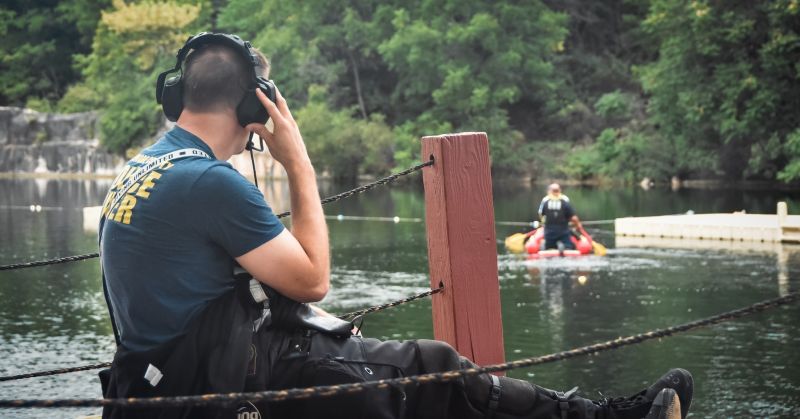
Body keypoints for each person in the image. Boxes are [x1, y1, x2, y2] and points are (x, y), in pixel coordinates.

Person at [98, 32, 693, 419]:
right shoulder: (208, 181)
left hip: (164, 383)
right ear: (257, 105)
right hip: (220, 387)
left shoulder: (143, 167)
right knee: (434, 366)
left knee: (382, 363)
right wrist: (299, 164)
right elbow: (313, 280)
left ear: (180, 96)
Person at [538, 183, 582, 252]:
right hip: (563, 232)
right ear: (560, 190)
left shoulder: (545, 200)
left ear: (549, 191)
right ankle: (565, 246)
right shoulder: (565, 200)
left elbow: (541, 214)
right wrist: (578, 225)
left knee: (548, 247)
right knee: (569, 247)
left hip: (549, 233)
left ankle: (548, 246)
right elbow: (574, 218)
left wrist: (543, 223)